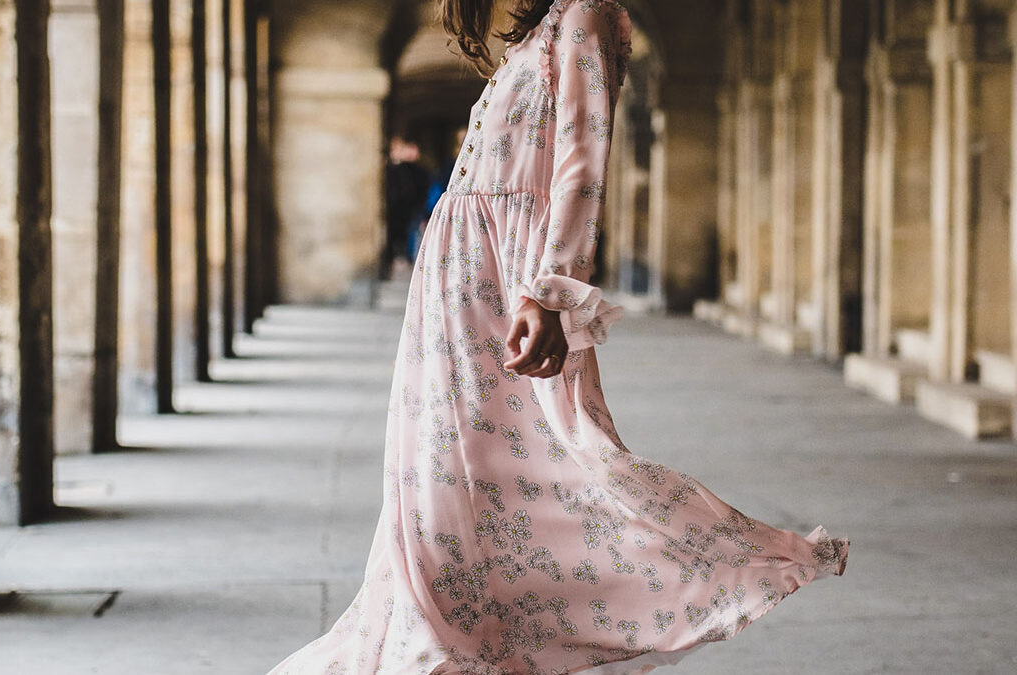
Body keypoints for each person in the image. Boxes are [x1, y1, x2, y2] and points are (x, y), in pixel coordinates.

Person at [268, 1, 848, 672]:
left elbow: (581, 165)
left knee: (546, 462)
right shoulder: (534, 39)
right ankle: (447, 628)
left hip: (502, 285)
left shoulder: (586, 15)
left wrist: (552, 290)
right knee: (438, 476)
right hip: (456, 292)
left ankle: (706, 570)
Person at [382, 137, 431, 279]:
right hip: (398, 209)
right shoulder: (395, 170)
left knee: (410, 235)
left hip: (411, 209)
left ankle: (408, 260)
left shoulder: (417, 171)